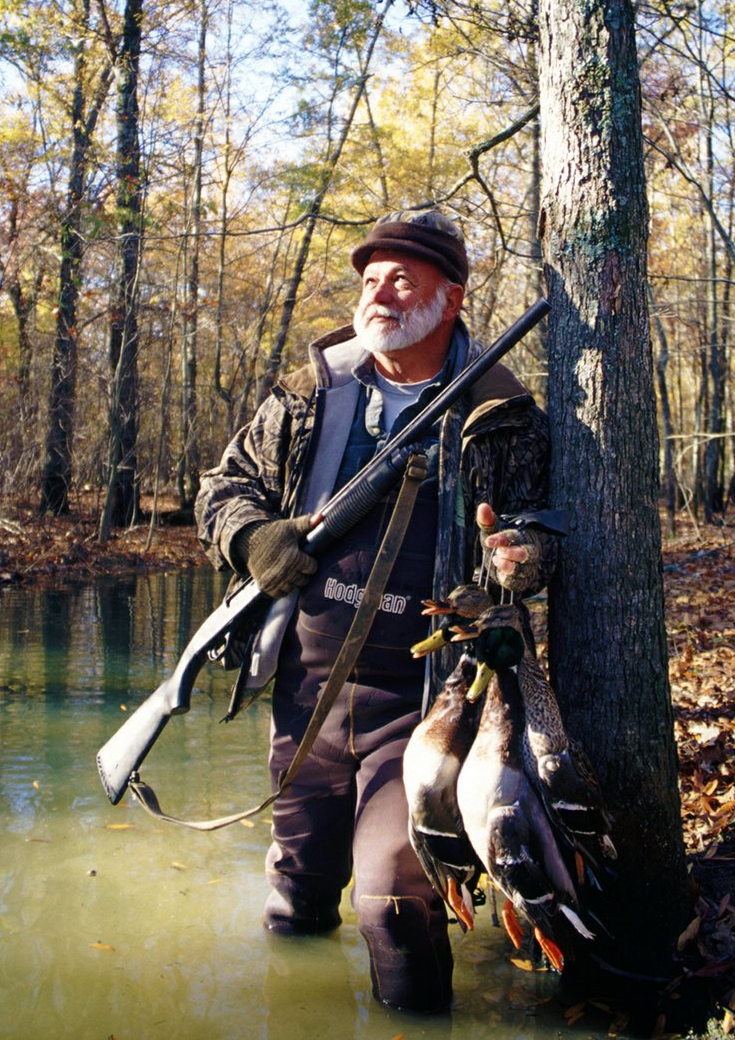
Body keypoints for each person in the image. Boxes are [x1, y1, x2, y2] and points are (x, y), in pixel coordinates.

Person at [194, 209, 557, 1013]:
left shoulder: (503, 414)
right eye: (369, 278)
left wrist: (521, 558)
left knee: (393, 898)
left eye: (402, 278)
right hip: (305, 691)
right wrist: (253, 539)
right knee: (296, 898)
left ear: (451, 298)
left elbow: (542, 530)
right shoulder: (306, 392)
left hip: (427, 704)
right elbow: (224, 487)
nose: (379, 293)